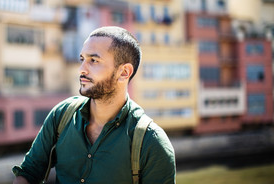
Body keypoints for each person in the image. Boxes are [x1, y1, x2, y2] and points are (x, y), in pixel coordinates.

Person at [12, 26, 176, 184]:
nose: (82, 69)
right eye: (82, 59)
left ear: (124, 72)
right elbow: (28, 173)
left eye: (94, 60)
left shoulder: (152, 142)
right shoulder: (62, 115)